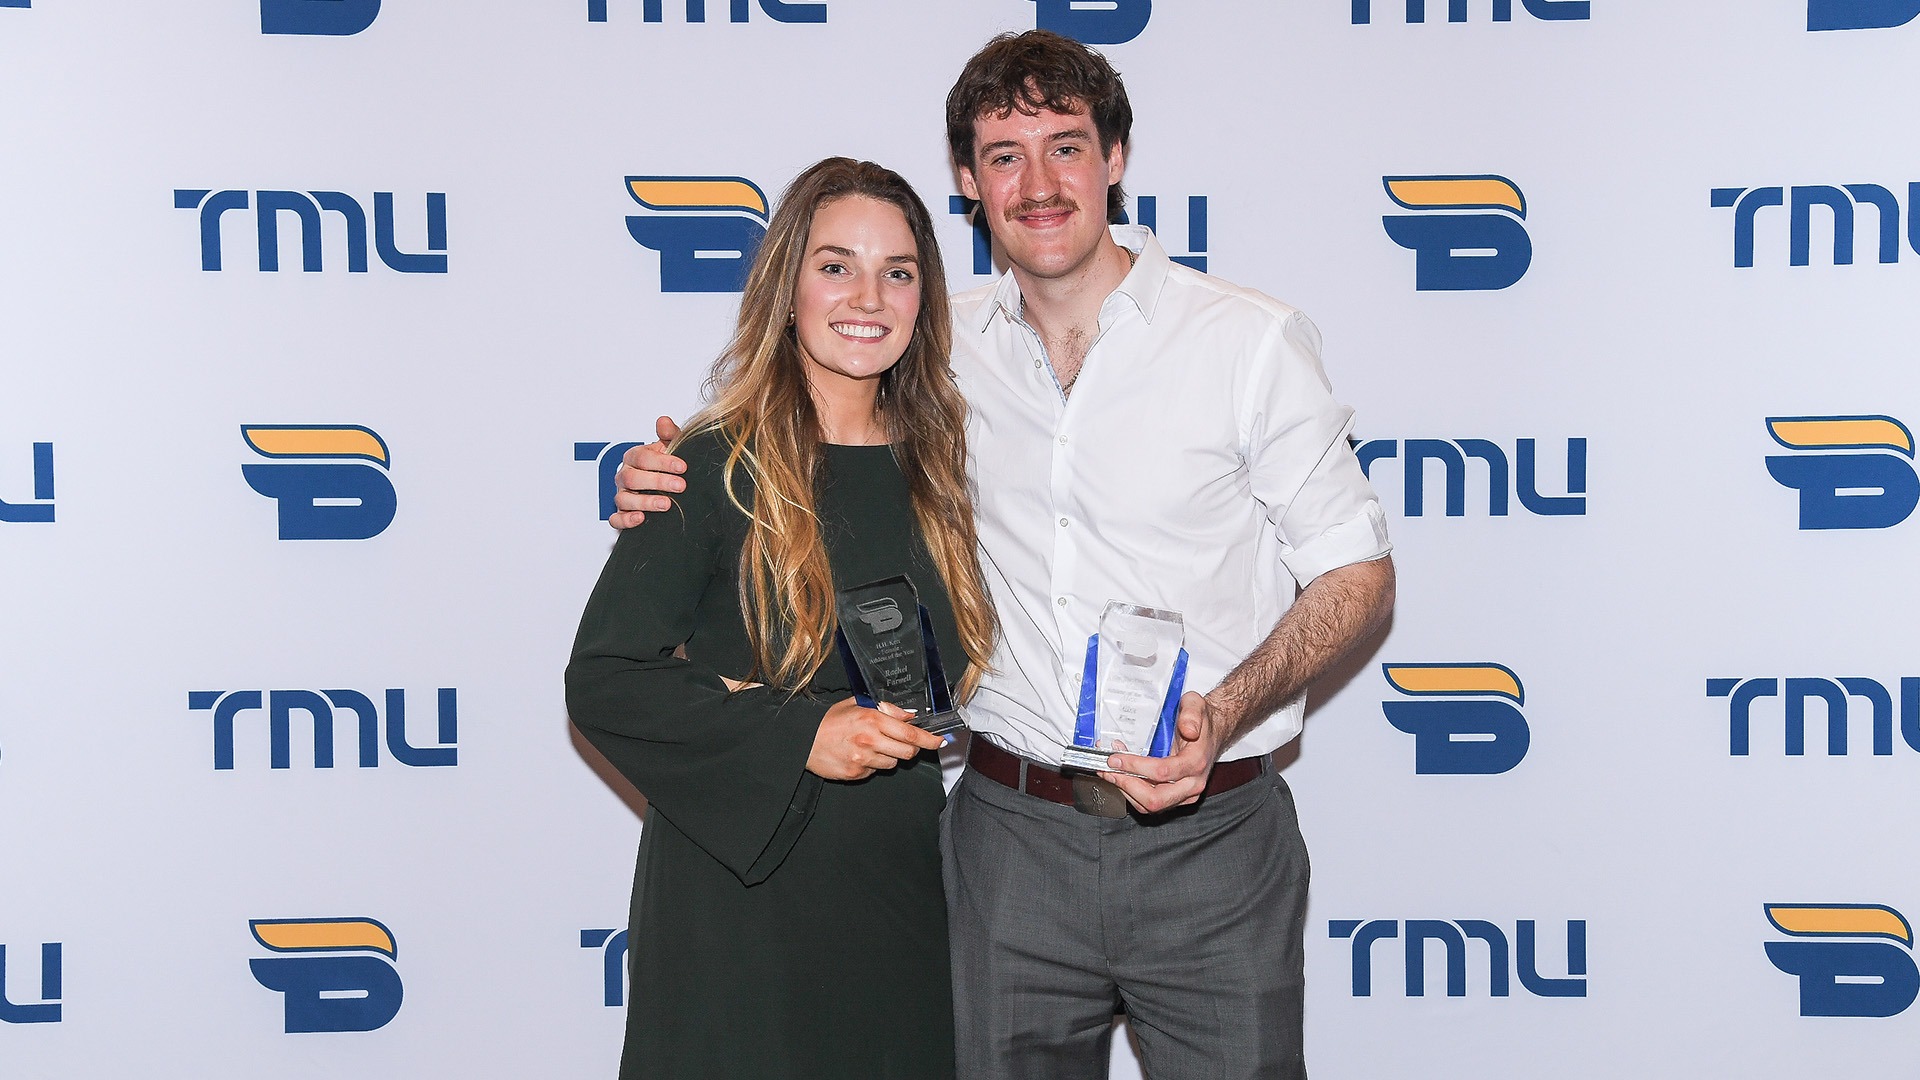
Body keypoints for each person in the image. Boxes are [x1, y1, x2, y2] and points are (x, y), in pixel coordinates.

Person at [611, 32, 1396, 1080]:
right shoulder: (931, 349)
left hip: (1211, 840)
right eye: (1003, 154)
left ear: (1115, 156)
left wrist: (1228, 710)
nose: (1038, 184)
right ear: (968, 183)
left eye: (1065, 145)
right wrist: (667, 469)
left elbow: (1356, 572)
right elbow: (797, 425)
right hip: (1005, 842)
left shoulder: (1247, 341)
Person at [565, 157, 996, 1080]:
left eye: (899, 270)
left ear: (926, 297)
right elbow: (605, 679)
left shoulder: (949, 471)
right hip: (741, 898)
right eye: (836, 265)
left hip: (903, 888)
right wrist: (800, 730)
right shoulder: (713, 463)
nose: (868, 297)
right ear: (787, 286)